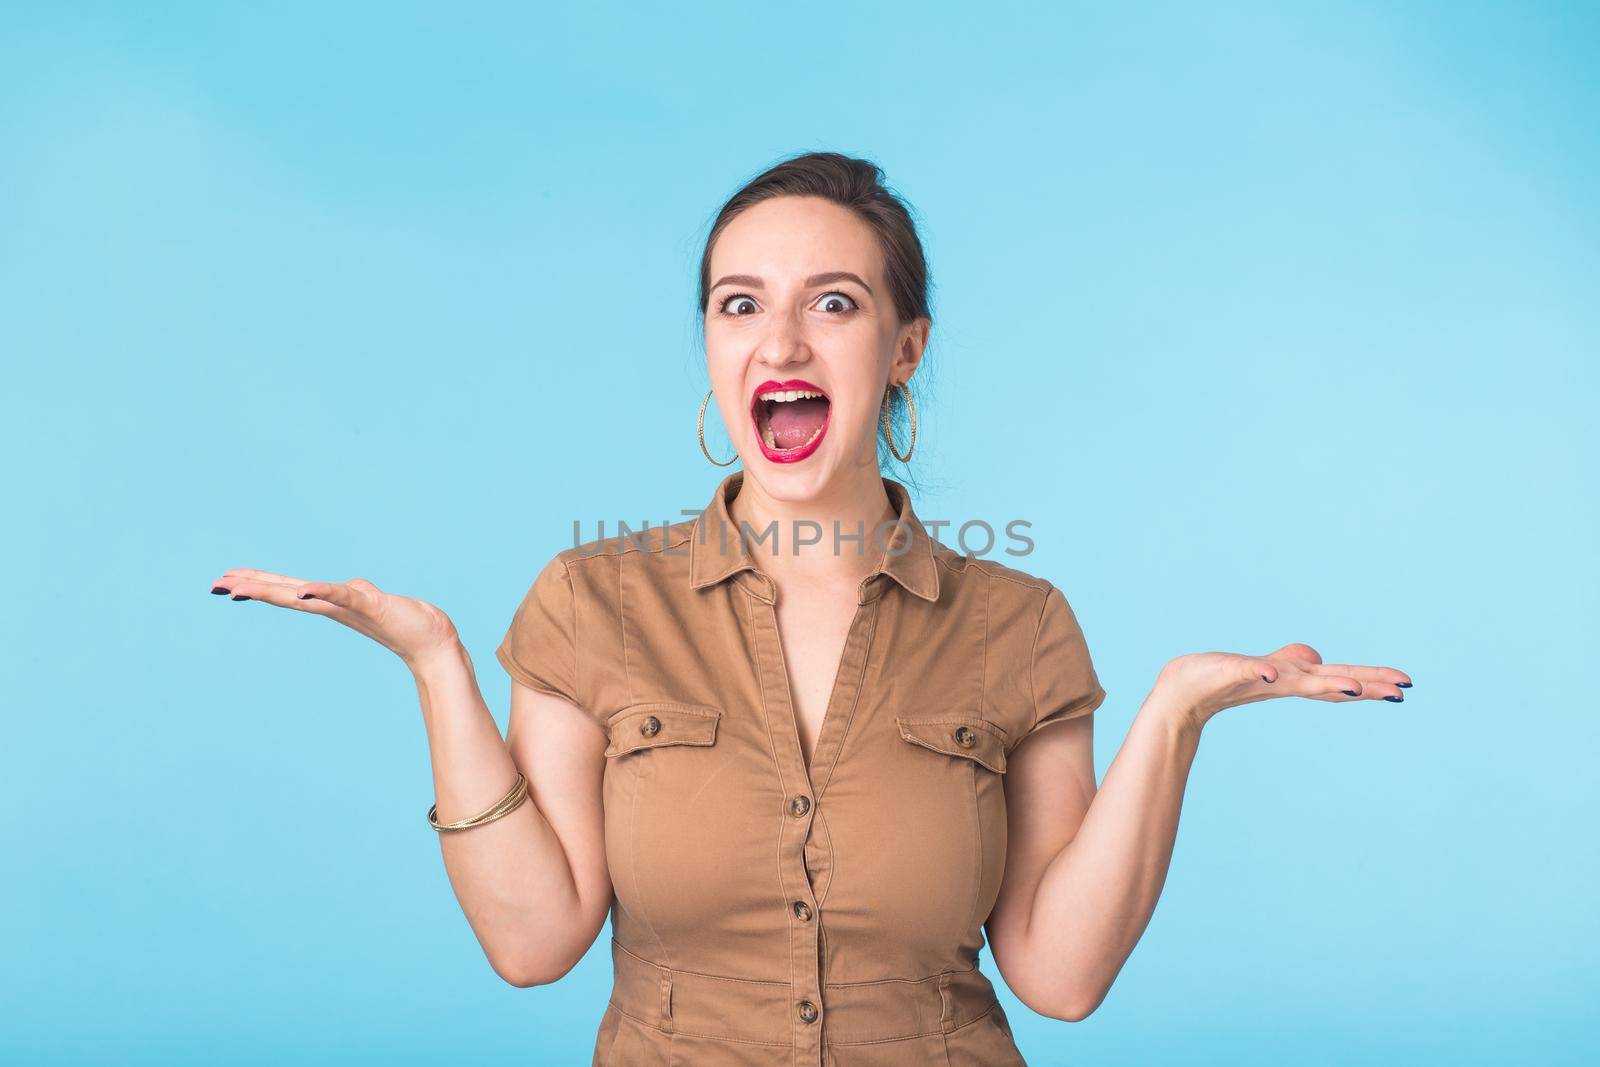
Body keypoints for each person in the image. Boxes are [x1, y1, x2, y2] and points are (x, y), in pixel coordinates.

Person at [209, 151, 1412, 1065]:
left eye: (832, 303)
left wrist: (1175, 714)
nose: (778, 337)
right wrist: (434, 667)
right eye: (739, 303)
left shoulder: (1020, 623)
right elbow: (534, 945)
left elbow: (1060, 974)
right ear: (710, 342)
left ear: (904, 347)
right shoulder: (589, 603)